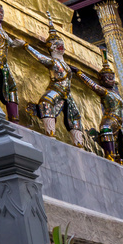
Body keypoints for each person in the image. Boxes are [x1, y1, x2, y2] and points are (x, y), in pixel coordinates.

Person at [24, 14, 84, 146]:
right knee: (46, 102)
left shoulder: (66, 65)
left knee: (75, 115)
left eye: (61, 43)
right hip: (56, 89)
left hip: (66, 93)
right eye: (56, 44)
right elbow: (40, 57)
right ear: (51, 47)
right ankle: (50, 133)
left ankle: (79, 143)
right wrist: (26, 46)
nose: (60, 45)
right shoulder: (53, 62)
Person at [73, 48, 123, 165]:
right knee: (106, 129)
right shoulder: (105, 91)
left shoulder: (115, 93)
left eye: (112, 77)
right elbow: (92, 85)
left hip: (120, 121)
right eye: (107, 77)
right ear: (101, 79)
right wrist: (79, 73)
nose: (111, 80)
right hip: (110, 118)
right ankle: (110, 155)